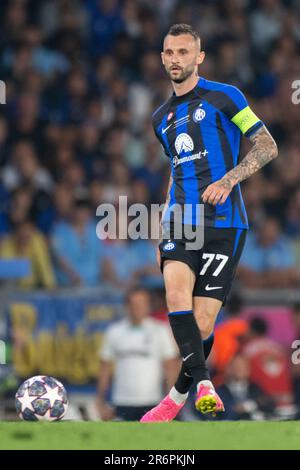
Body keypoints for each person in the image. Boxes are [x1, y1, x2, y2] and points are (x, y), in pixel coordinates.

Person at [140, 23, 278, 423]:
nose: (175, 59)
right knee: (175, 298)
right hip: (182, 222)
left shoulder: (226, 96)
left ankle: (175, 396)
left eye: (184, 52)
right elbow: (176, 173)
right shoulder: (160, 118)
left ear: (199, 57)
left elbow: (267, 145)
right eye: (169, 52)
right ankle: (203, 384)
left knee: (201, 323)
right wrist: (164, 222)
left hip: (225, 222)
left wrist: (228, 179)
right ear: (162, 58)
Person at [97, 287, 179, 421]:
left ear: (149, 306)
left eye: (142, 304)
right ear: (126, 306)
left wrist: (171, 402)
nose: (137, 308)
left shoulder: (160, 331)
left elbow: (171, 368)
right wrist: (100, 400)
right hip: (122, 402)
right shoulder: (114, 331)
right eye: (133, 304)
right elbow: (105, 369)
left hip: (152, 402)